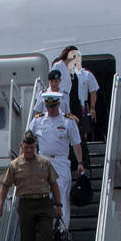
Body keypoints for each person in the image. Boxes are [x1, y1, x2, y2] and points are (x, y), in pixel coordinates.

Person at [0, 130, 63, 241]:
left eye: (32, 147)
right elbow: (4, 187)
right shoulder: (14, 165)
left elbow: (54, 184)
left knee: (46, 238)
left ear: (35, 146)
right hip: (26, 205)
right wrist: (0, 207)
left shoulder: (44, 162)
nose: (30, 150)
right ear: (22, 146)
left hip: (44, 203)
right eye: (27, 147)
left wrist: (58, 205)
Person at [28, 91, 84, 231]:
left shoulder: (67, 121)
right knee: (44, 197)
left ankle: (62, 232)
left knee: (62, 196)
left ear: (58, 104)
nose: (50, 109)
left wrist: (80, 162)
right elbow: (27, 141)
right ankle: (48, 230)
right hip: (42, 161)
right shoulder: (38, 120)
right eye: (48, 106)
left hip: (61, 162)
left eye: (53, 106)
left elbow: (76, 144)